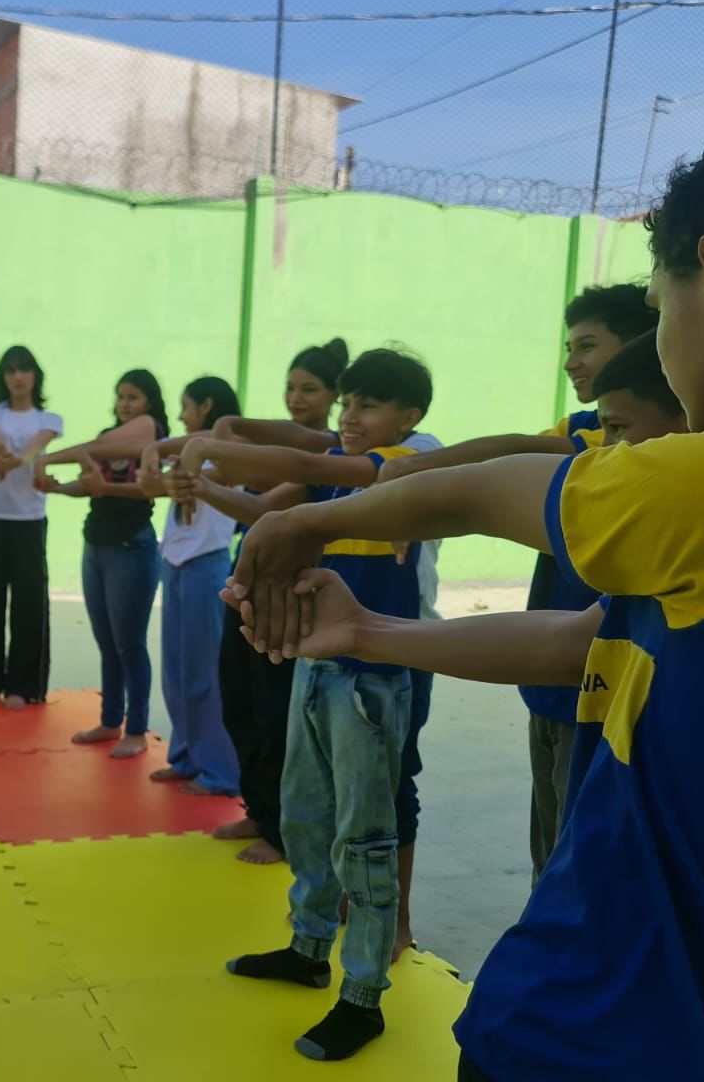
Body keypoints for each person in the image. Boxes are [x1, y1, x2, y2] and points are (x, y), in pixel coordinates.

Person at [228, 108, 704, 1079]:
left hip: (598, 1035)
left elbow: (490, 487)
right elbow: (587, 642)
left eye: (660, 307)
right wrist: (369, 630)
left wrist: (305, 523)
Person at [379, 284, 657, 885]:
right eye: (568, 347)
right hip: (549, 685)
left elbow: (516, 450)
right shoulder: (589, 425)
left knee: (574, 864)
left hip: (591, 685)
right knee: (549, 854)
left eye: (587, 345)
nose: (571, 362)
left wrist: (416, 470)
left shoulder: (620, 442)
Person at [207, 347, 433, 1063]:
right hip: (316, 664)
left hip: (373, 679)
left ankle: (362, 996)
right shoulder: (338, 467)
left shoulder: (406, 466)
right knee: (305, 816)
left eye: (368, 405)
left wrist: (213, 441)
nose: (350, 417)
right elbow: (290, 478)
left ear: (409, 417)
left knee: (363, 838)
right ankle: (308, 948)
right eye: (348, 403)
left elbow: (311, 457)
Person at [202, 341, 347, 863]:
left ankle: (282, 831)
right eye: (290, 387)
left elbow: (259, 506)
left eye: (309, 389)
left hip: (282, 598)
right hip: (246, 588)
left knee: (273, 715)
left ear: (333, 397)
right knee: (238, 705)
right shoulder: (287, 450)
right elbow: (240, 470)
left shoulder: (328, 459)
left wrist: (197, 483)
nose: (296, 397)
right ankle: (259, 809)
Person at [36, 369, 168, 760]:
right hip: (96, 543)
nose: (124, 404)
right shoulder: (107, 438)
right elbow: (90, 484)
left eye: (133, 397)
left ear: (149, 403)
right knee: (107, 642)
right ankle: (111, 720)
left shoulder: (154, 435)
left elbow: (142, 487)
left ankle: (137, 730)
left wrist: (50, 459)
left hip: (130, 546)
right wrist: (59, 488)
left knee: (129, 644)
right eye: (120, 396)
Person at [139, 376, 242, 795]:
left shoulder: (231, 447)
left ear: (206, 406)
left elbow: (162, 480)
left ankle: (221, 771)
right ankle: (185, 756)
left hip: (206, 565)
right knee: (176, 673)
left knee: (205, 675)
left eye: (186, 406)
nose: (181, 416)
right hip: (176, 563)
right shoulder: (187, 449)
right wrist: (154, 455)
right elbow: (151, 481)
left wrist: (158, 459)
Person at [0, 346, 62, 709]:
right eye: (11, 370)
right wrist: (0, 449)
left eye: (24, 370)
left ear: (35, 376)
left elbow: (36, 447)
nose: (18, 377)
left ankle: (23, 686)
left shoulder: (49, 419)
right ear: (3, 378)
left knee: (29, 603)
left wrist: (15, 461)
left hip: (29, 521)